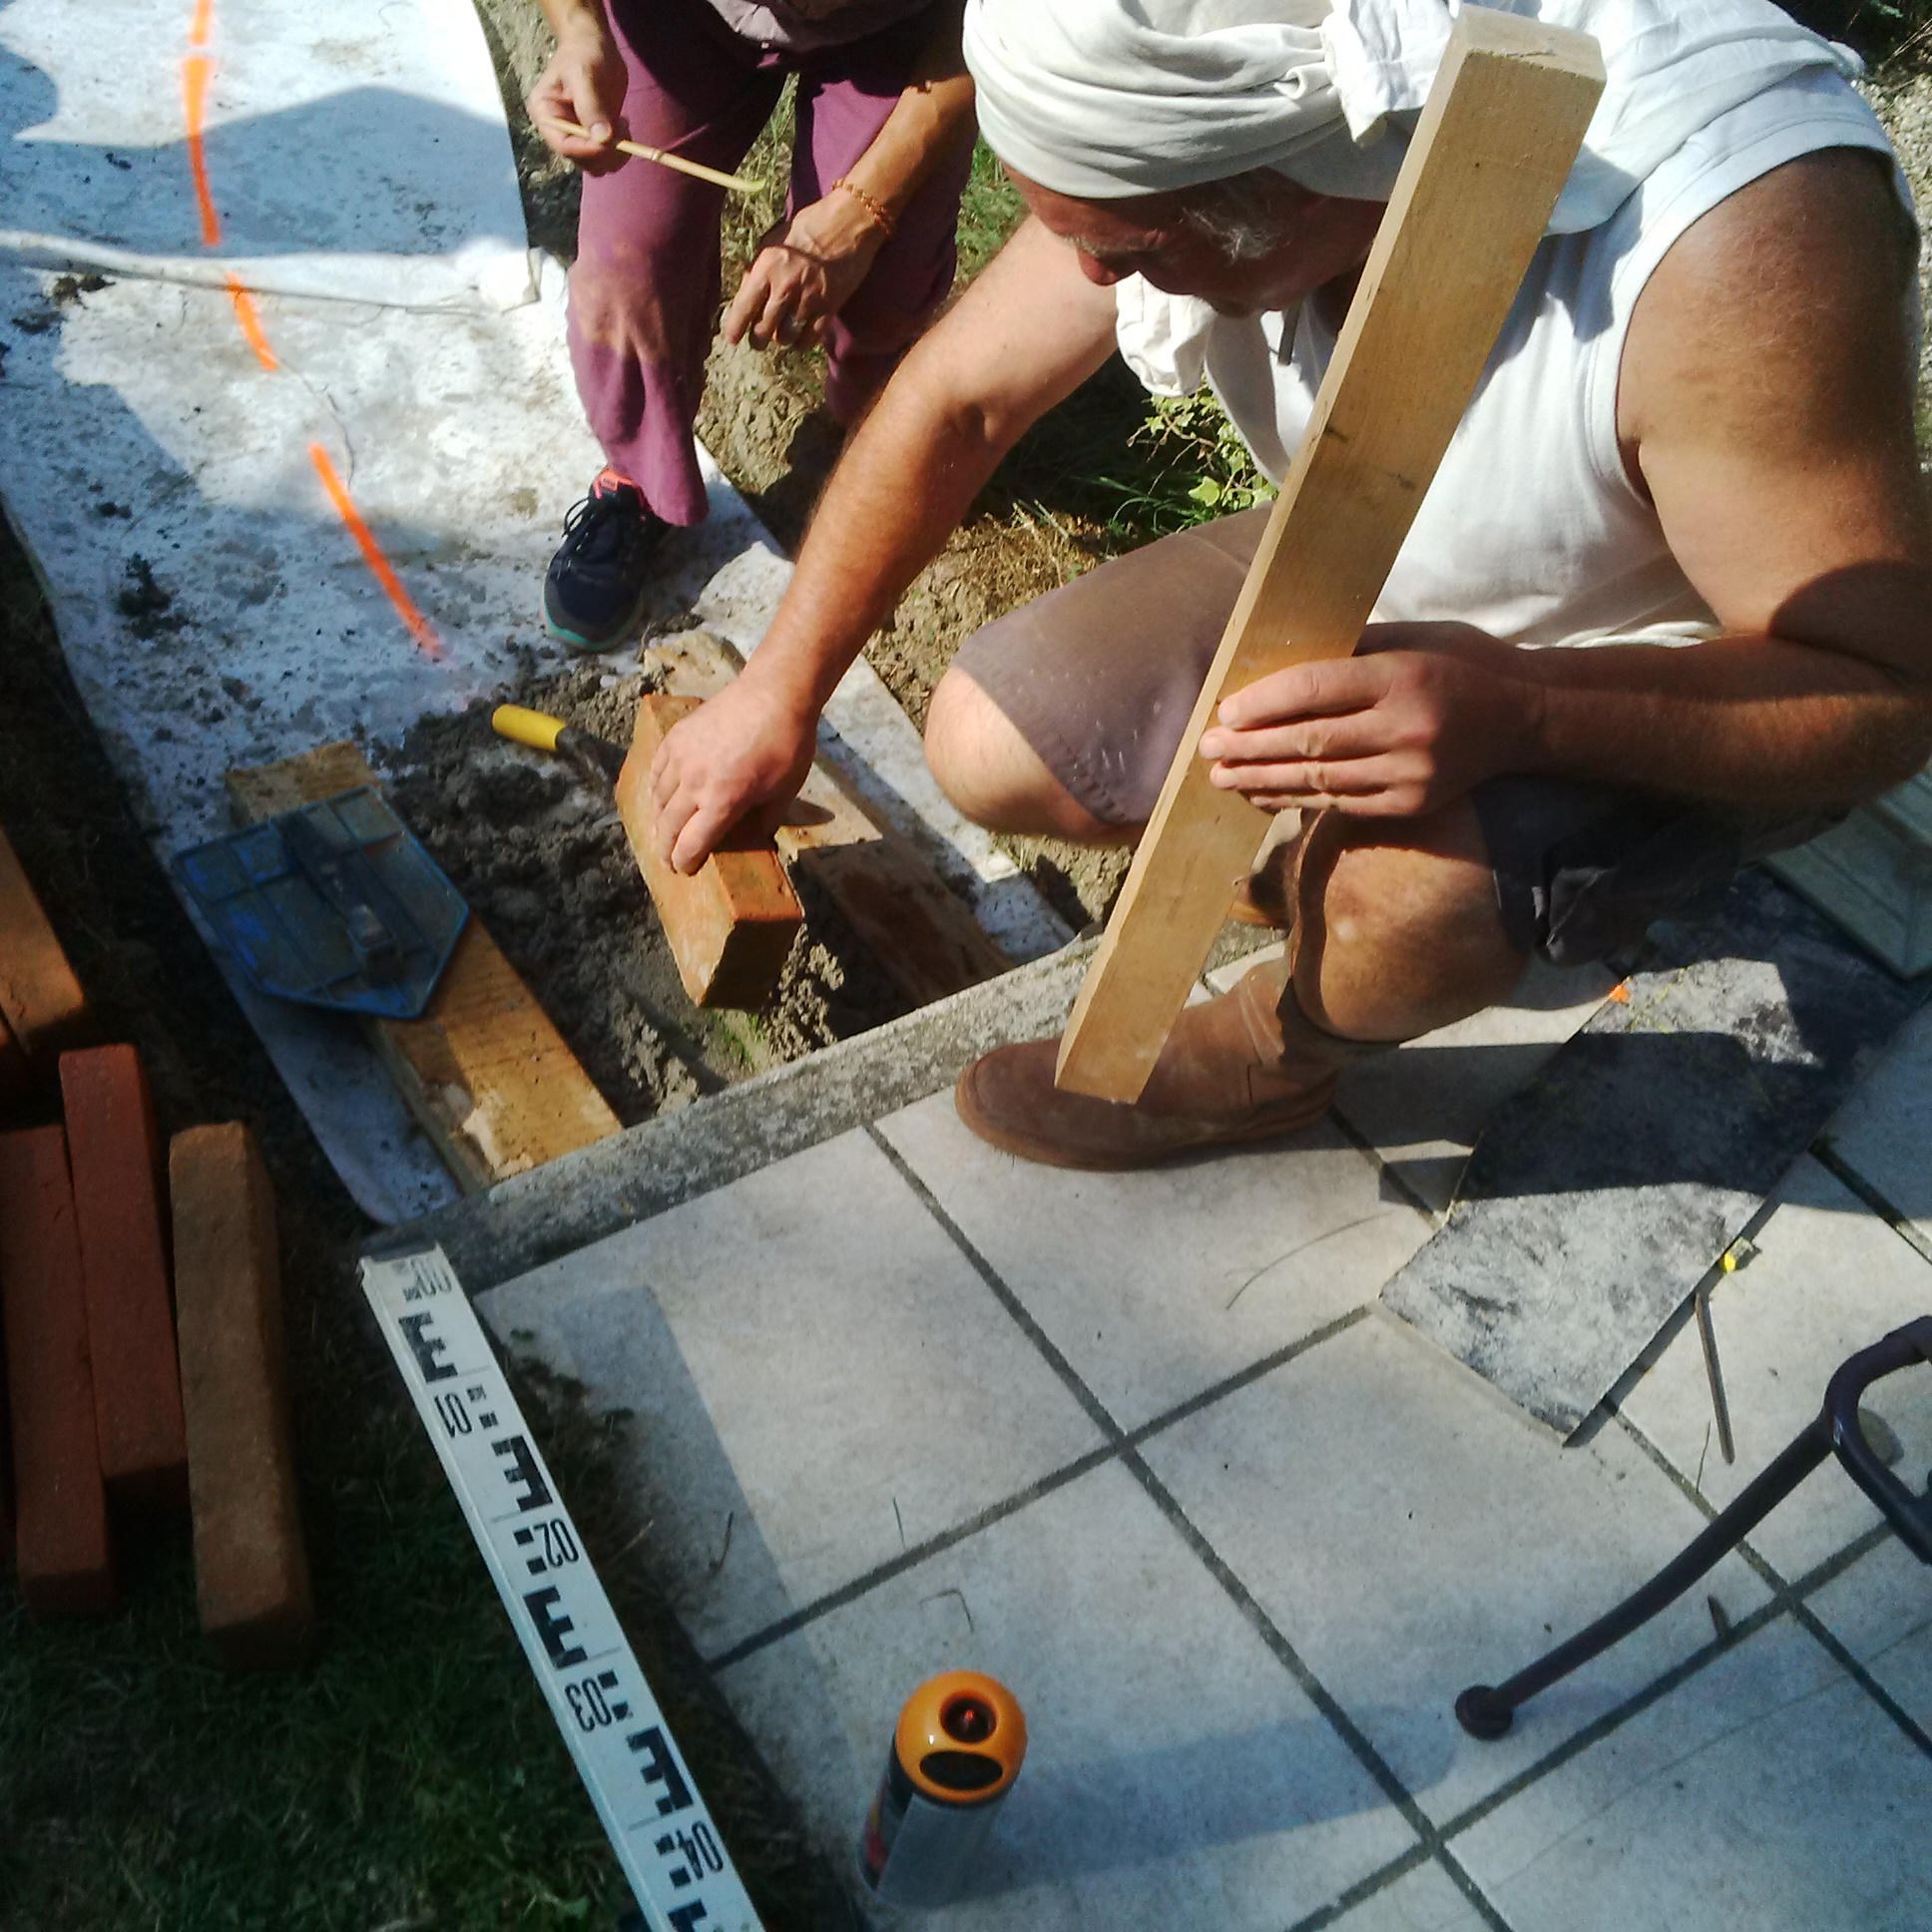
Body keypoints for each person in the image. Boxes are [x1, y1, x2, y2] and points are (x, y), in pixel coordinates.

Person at [643, 0, 1932, 1170]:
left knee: (1396, 904)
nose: (1092, 282)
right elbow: (959, 405)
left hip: (1649, 651)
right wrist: (779, 689)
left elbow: (1888, 693)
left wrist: (1522, 711)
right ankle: (1325, 868)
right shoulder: (1217, 108)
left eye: (1132, 254)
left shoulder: (1737, 249)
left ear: (1302, 185)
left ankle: (1277, 1051)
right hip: (1405, 530)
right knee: (1000, 741)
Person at [528, 0, 978, 650]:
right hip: (678, 20)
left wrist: (863, 212)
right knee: (632, 261)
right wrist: (579, 31)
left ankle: (872, 455)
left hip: (905, 30)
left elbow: (1002, 23)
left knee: (885, 284)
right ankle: (639, 481)